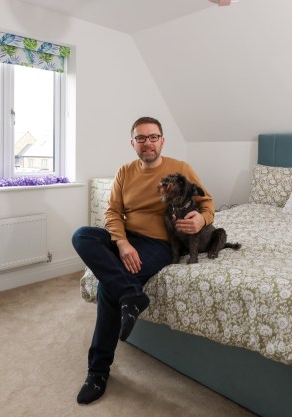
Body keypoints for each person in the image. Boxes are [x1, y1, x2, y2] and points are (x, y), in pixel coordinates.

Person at [71, 116, 216, 404]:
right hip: (126, 240)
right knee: (82, 235)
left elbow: (207, 202)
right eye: (141, 138)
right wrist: (122, 242)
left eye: (153, 137)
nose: (147, 143)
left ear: (162, 141)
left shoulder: (181, 168)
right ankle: (131, 293)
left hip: (159, 244)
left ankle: (97, 371)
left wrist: (202, 218)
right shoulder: (125, 172)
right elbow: (112, 212)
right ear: (133, 143)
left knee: (105, 289)